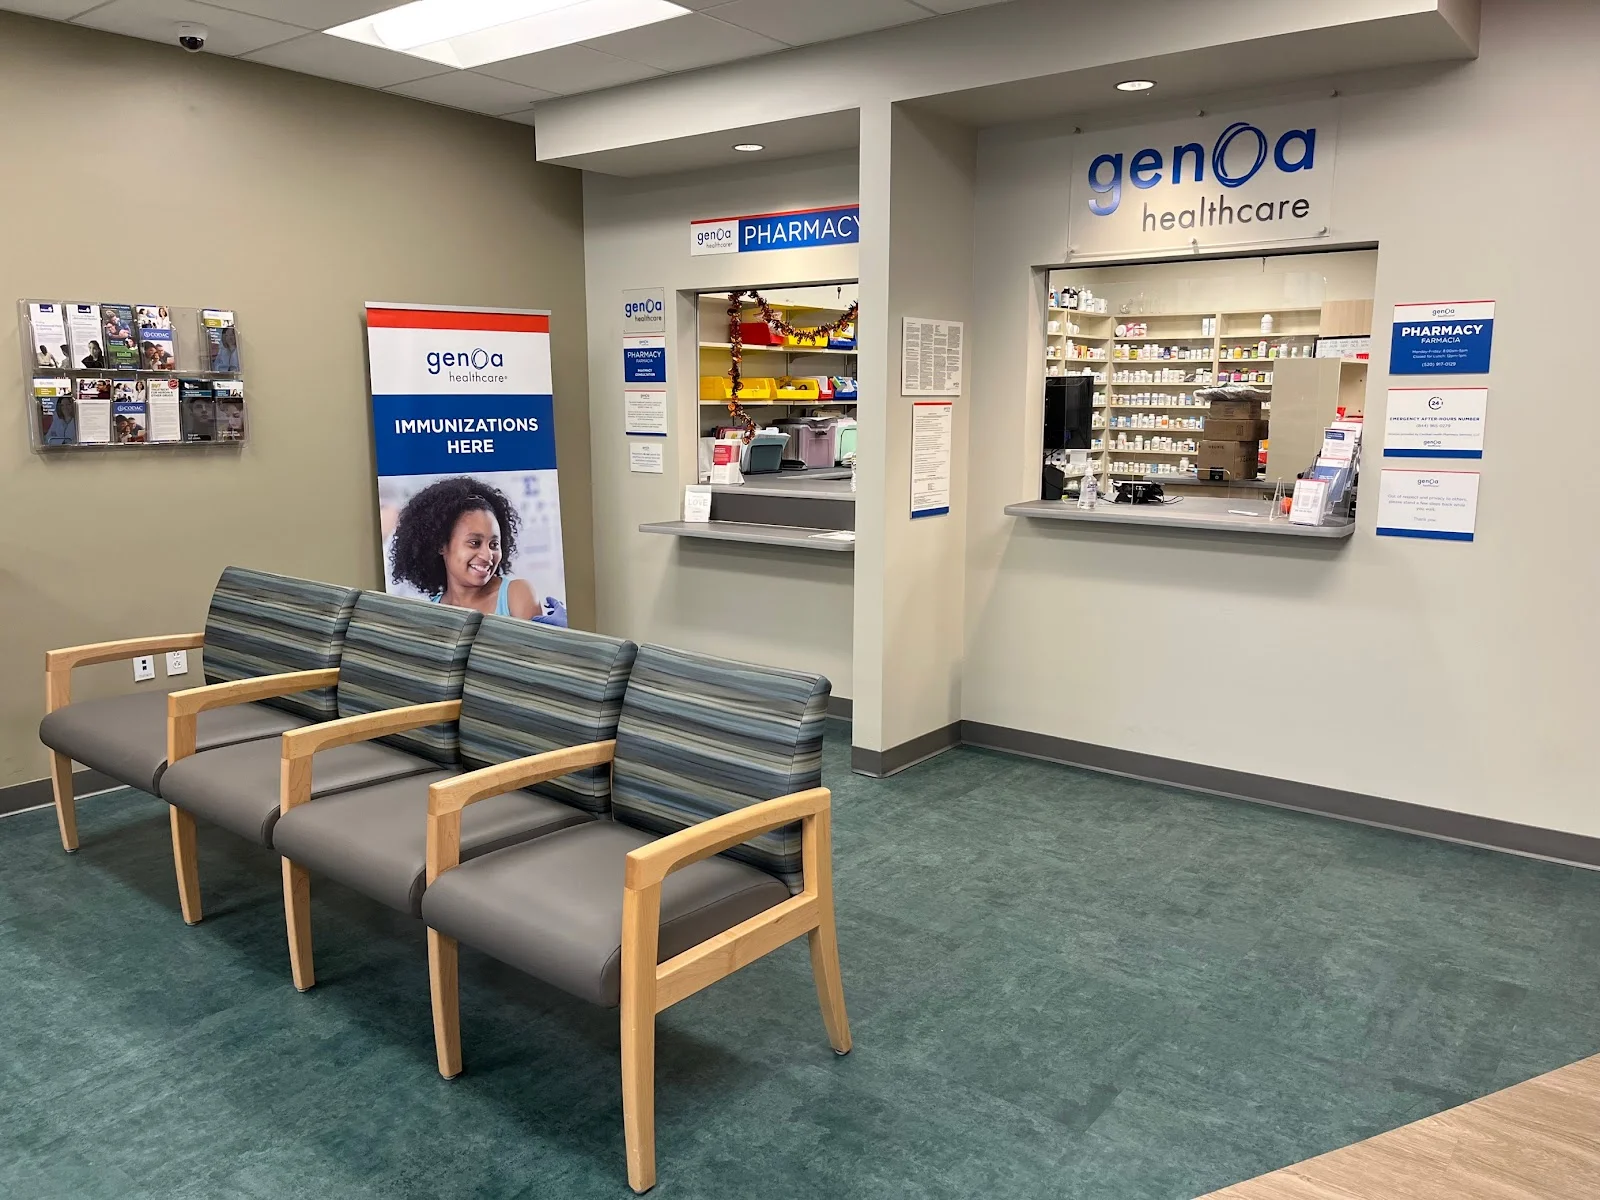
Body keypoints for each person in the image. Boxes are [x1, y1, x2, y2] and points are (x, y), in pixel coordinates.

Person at [388, 476, 565, 624]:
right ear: (441, 545)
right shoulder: (431, 613)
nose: (487, 556)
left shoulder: (516, 594)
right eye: (474, 543)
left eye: (494, 545)